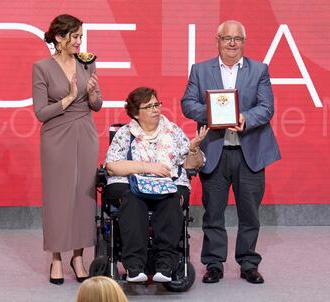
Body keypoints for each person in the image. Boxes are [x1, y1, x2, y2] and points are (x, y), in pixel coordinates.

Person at [181, 20, 281, 284]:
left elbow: (267, 107)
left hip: (250, 152)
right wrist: (212, 114)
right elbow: (188, 104)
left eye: (238, 39)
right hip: (215, 152)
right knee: (213, 212)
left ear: (244, 42)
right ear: (218, 40)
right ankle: (214, 264)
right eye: (227, 38)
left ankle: (248, 263)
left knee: (249, 212)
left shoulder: (259, 69)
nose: (232, 43)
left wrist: (244, 117)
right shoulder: (200, 70)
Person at [104, 87, 208, 283]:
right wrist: (148, 167)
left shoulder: (173, 131)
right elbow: (112, 166)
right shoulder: (125, 134)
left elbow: (193, 165)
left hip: (167, 185)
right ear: (136, 113)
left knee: (171, 200)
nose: (156, 109)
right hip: (131, 185)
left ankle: (165, 265)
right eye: (150, 106)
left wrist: (193, 149)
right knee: (132, 200)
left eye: (157, 104)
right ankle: (134, 266)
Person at [32, 14, 103, 285]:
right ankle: (57, 258)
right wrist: (70, 98)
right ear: (59, 38)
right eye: (74, 36)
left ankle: (78, 257)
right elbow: (41, 112)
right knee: (58, 198)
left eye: (81, 36)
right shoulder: (41, 67)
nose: (79, 41)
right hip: (56, 136)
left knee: (83, 197)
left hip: (85, 133)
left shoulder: (88, 62)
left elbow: (97, 105)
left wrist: (93, 94)